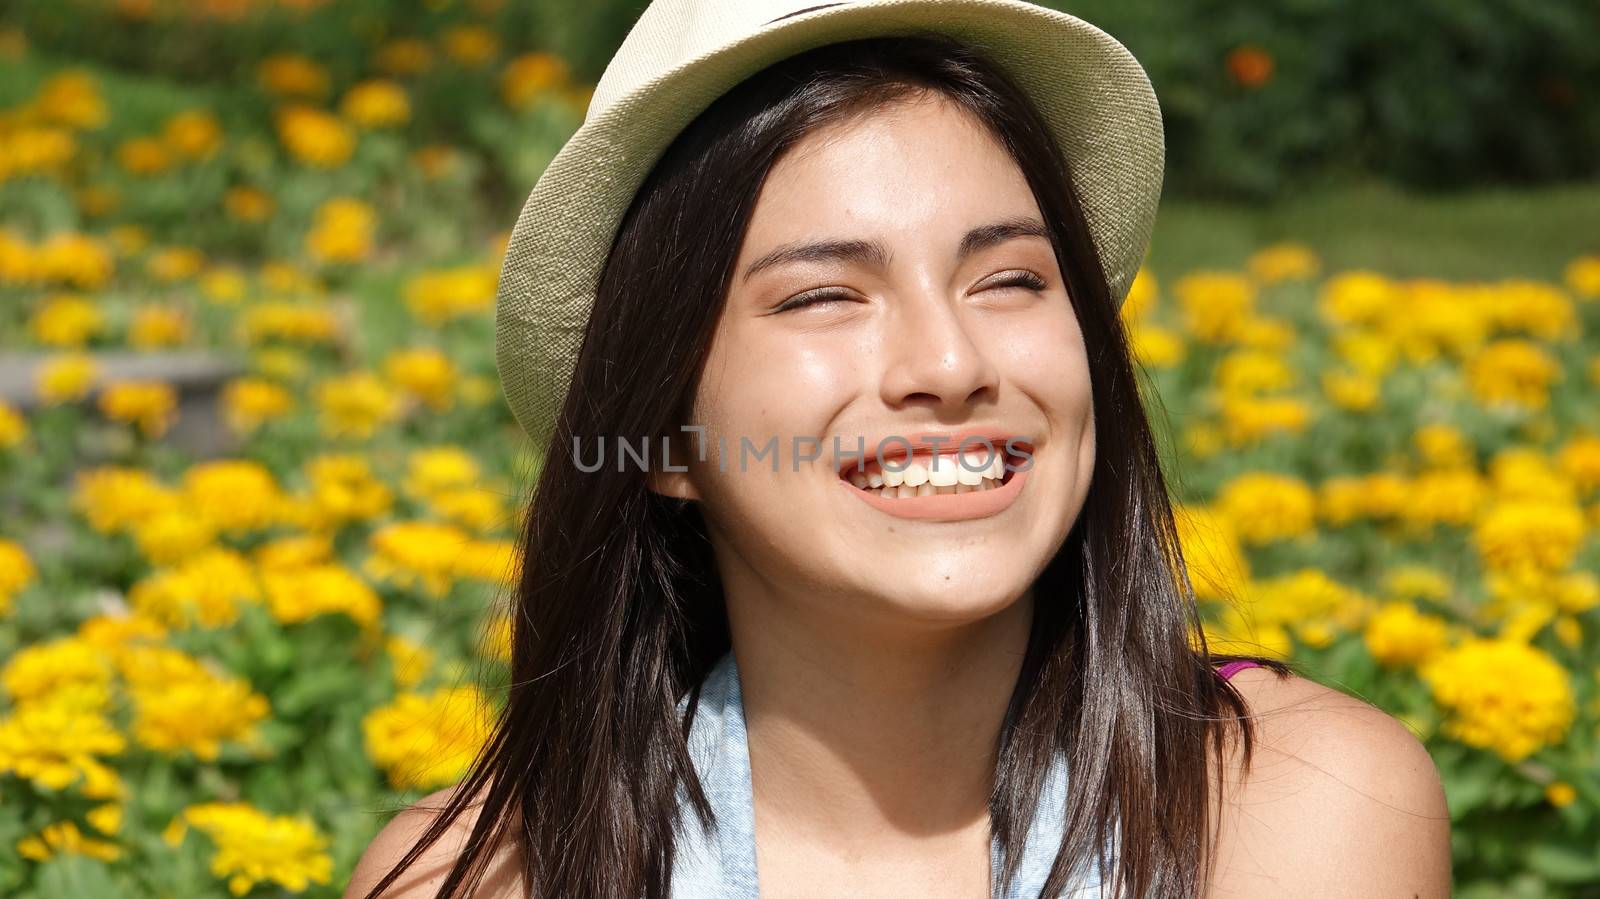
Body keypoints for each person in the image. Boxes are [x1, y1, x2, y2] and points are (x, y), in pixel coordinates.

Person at [348, 2, 1452, 897]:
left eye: (1010, 277)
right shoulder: (474, 878)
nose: (948, 358)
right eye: (825, 294)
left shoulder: (1299, 807)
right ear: (661, 436)